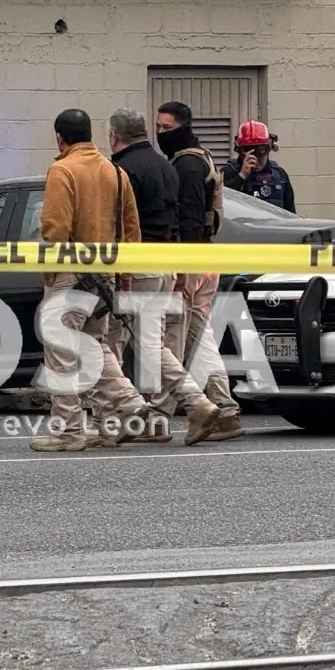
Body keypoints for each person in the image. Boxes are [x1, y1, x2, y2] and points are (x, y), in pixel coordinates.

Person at [30, 108, 219, 452]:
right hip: (108, 275)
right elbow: (131, 231)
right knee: (97, 347)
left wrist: (51, 273)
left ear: (60, 138)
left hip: (73, 273)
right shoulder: (115, 172)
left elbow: (55, 228)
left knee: (61, 349)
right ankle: (129, 403)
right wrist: (123, 276)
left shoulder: (62, 170)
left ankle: (69, 431)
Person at [83, 108, 224, 445]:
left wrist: (118, 271)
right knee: (151, 345)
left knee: (110, 343)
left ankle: (114, 420)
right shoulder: (167, 166)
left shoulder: (121, 171)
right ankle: (191, 404)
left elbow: (120, 225)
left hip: (135, 266)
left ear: (114, 137)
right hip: (165, 263)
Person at [151, 101, 243, 437]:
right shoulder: (199, 158)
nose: (161, 134)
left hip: (192, 262)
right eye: (158, 127)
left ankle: (158, 416)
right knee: (199, 338)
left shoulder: (187, 166)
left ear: (183, 126)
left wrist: (182, 271)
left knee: (170, 340)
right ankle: (226, 410)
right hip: (205, 259)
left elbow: (190, 219)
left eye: (166, 128)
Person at [221, 120, 296, 213]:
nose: (256, 160)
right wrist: (241, 176)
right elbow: (220, 203)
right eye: (250, 154)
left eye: (260, 154)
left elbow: (290, 212)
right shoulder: (229, 171)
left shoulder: (280, 175)